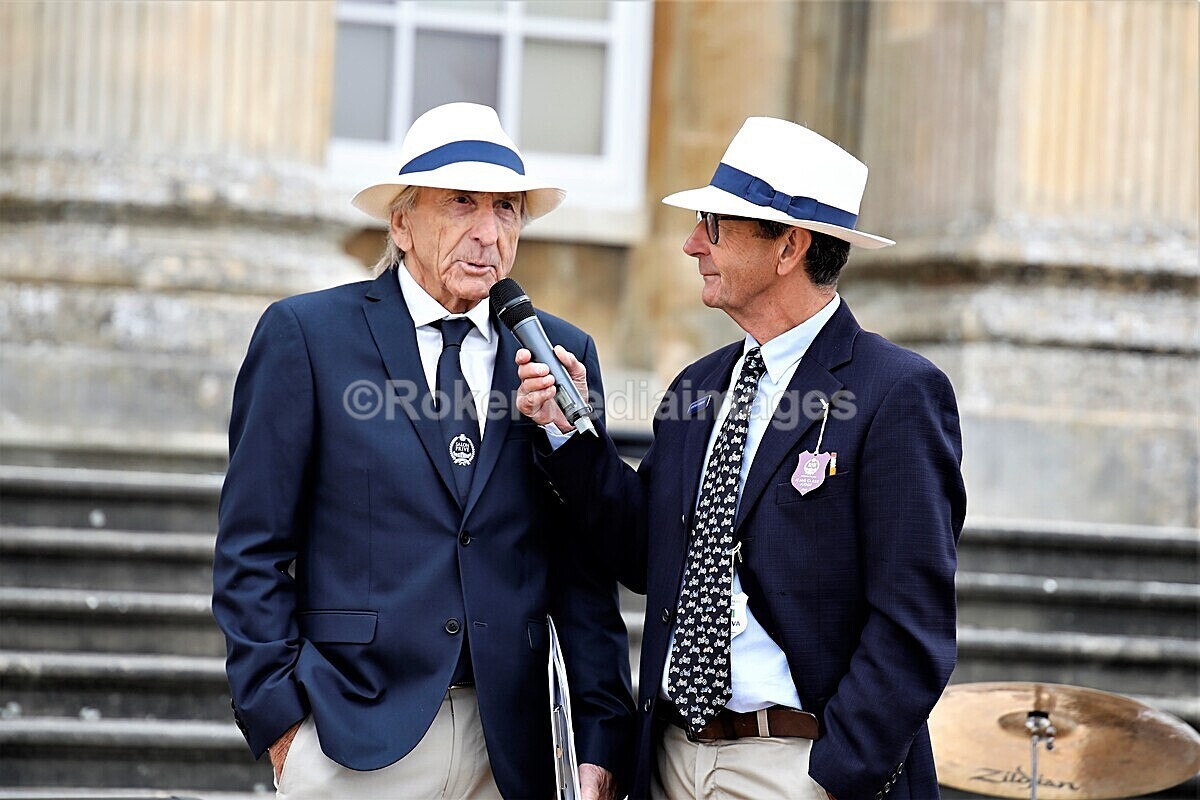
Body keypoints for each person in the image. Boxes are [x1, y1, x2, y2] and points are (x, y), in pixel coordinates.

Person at [516, 117, 966, 800]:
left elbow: (913, 628)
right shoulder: (698, 386)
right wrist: (569, 434)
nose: (693, 244)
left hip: (796, 768)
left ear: (790, 246)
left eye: (716, 225)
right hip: (669, 761)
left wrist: (830, 779)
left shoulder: (897, 393)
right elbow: (644, 554)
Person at [213, 102, 633, 800]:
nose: (487, 232)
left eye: (506, 208)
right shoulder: (306, 336)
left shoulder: (558, 353)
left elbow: (584, 575)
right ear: (401, 223)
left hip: (513, 748)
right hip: (351, 736)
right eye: (460, 203)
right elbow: (249, 550)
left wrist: (599, 736)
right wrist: (282, 729)